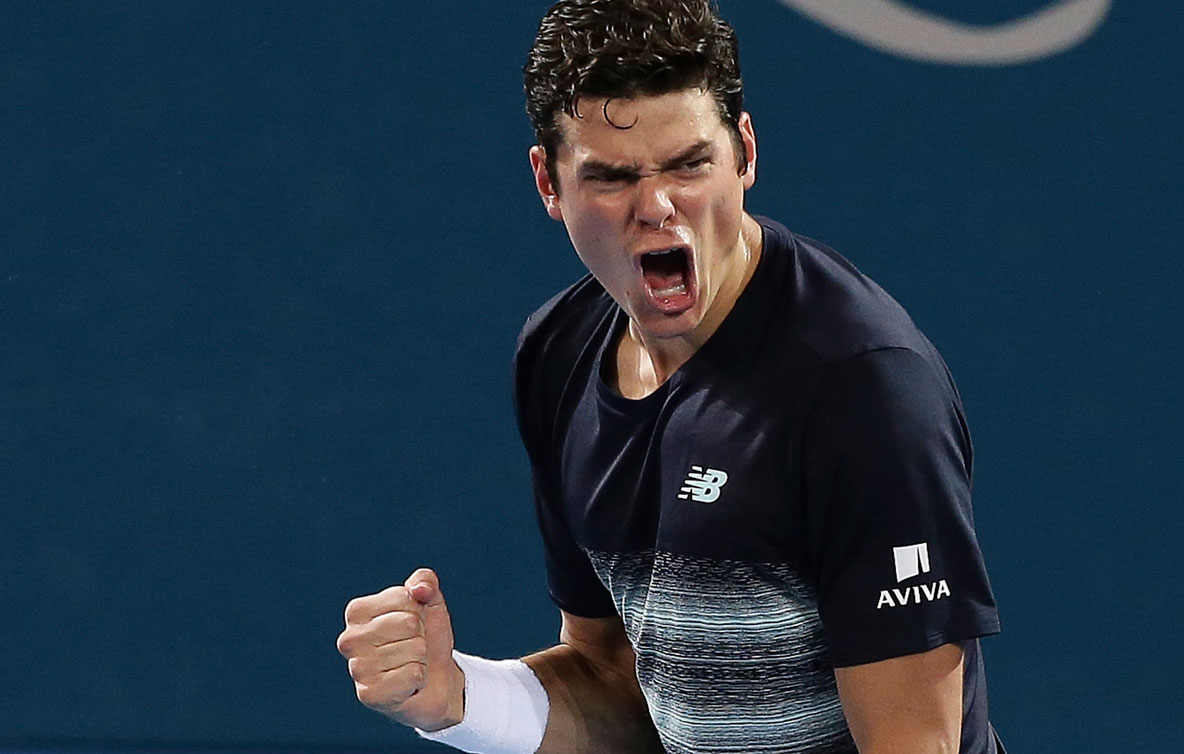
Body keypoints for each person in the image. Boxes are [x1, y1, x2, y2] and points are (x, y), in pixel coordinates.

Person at [336, 1, 1003, 752]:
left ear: (745, 154)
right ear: (548, 186)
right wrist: (458, 698)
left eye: (690, 164)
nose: (658, 208)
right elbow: (616, 681)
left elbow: (914, 744)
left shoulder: (862, 389)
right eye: (613, 178)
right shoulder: (558, 352)